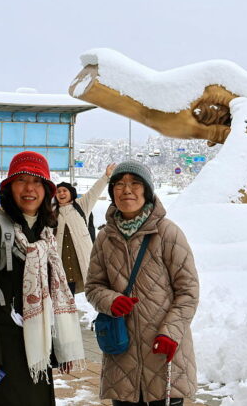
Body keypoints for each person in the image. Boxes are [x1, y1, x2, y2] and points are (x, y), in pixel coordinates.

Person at [85, 160, 199, 406]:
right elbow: (93, 287)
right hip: (121, 352)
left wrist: (170, 332)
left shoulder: (168, 233)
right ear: (112, 191)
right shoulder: (105, 237)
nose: (127, 190)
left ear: (147, 190)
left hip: (163, 350)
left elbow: (188, 291)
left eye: (135, 183)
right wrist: (111, 301)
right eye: (119, 184)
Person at [0, 151, 84, 406]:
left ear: (47, 190)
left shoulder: (44, 232)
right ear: (9, 187)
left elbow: (52, 293)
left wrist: (62, 345)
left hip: (36, 347)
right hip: (7, 348)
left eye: (37, 181)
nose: (29, 188)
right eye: (21, 180)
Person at [53, 163, 115, 295]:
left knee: (92, 290)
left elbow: (94, 192)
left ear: (71, 193)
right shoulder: (52, 212)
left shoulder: (81, 206)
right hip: (61, 261)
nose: (61, 193)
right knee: (64, 293)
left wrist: (106, 176)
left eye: (64, 190)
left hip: (80, 259)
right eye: (58, 192)